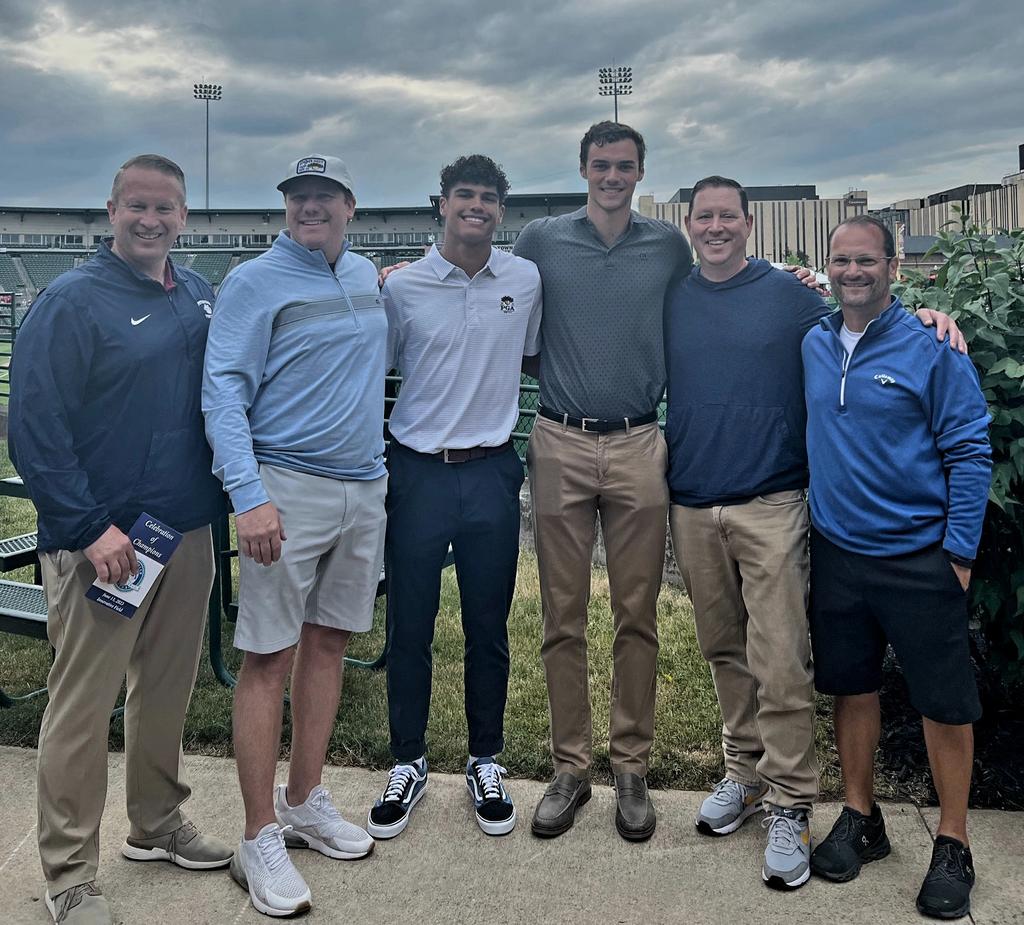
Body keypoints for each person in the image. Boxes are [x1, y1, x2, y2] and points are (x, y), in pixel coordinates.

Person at [666, 179, 964, 890]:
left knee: (782, 659)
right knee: (724, 651)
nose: (715, 227)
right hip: (692, 501)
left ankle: (792, 801)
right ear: (689, 224)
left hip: (771, 501)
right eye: (703, 216)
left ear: (748, 223)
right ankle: (744, 771)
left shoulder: (792, 295)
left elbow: (866, 311)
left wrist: (930, 313)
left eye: (727, 216)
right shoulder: (673, 294)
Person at [8, 154, 232, 925]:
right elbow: (34, 431)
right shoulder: (71, 301)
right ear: (111, 211)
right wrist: (86, 525)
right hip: (105, 540)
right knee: (83, 702)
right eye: (137, 206)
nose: (151, 220)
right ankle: (68, 871)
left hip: (184, 532)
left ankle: (156, 822)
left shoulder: (198, 294)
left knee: (165, 691)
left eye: (166, 208)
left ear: (184, 217)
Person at [203, 155, 386, 917]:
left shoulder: (368, 274)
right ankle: (257, 833)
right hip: (285, 487)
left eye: (324, 196)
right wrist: (248, 495)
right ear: (287, 206)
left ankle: (305, 795)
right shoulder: (254, 281)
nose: (310, 207)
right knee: (268, 656)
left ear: (349, 204)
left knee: (330, 641)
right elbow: (223, 390)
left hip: (362, 484)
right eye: (297, 196)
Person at [804, 215, 991, 920]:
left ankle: (953, 840)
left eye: (866, 260)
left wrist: (961, 553)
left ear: (894, 265)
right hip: (839, 552)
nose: (853, 272)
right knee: (851, 688)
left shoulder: (933, 347)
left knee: (944, 701)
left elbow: (970, 452)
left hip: (919, 555)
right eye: (840, 261)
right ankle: (862, 816)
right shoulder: (814, 342)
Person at [513, 122, 692, 842]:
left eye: (624, 166)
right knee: (562, 613)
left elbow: (709, 297)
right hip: (558, 435)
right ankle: (568, 766)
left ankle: (631, 765)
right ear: (582, 168)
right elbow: (498, 304)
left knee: (636, 611)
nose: (612, 176)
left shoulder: (668, 245)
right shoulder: (542, 239)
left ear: (640, 172)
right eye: (600, 165)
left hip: (638, 439)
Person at [366, 155, 541, 840]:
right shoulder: (402, 287)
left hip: (493, 468)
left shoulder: (524, 278)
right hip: (416, 470)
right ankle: (407, 758)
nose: (476, 206)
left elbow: (529, 353)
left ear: (502, 211)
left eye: (489, 198)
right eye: (464, 195)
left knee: (487, 627)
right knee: (410, 624)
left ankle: (484, 758)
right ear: (440, 203)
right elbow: (378, 367)